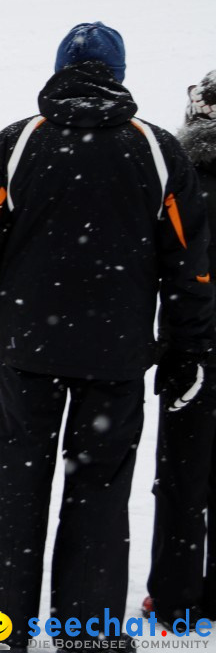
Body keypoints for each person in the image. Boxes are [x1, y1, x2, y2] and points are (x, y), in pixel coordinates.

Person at [0, 23, 213, 652]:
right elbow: (189, 267)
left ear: (60, 68)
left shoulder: (16, 144)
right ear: (117, 73)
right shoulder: (153, 150)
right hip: (115, 358)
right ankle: (88, 630)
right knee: (99, 489)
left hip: (28, 352)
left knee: (20, 482)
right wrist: (187, 352)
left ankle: (0, 627)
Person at [145, 70, 216, 627]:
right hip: (196, 338)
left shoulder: (180, 175)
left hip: (195, 343)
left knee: (182, 477)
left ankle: (176, 597)